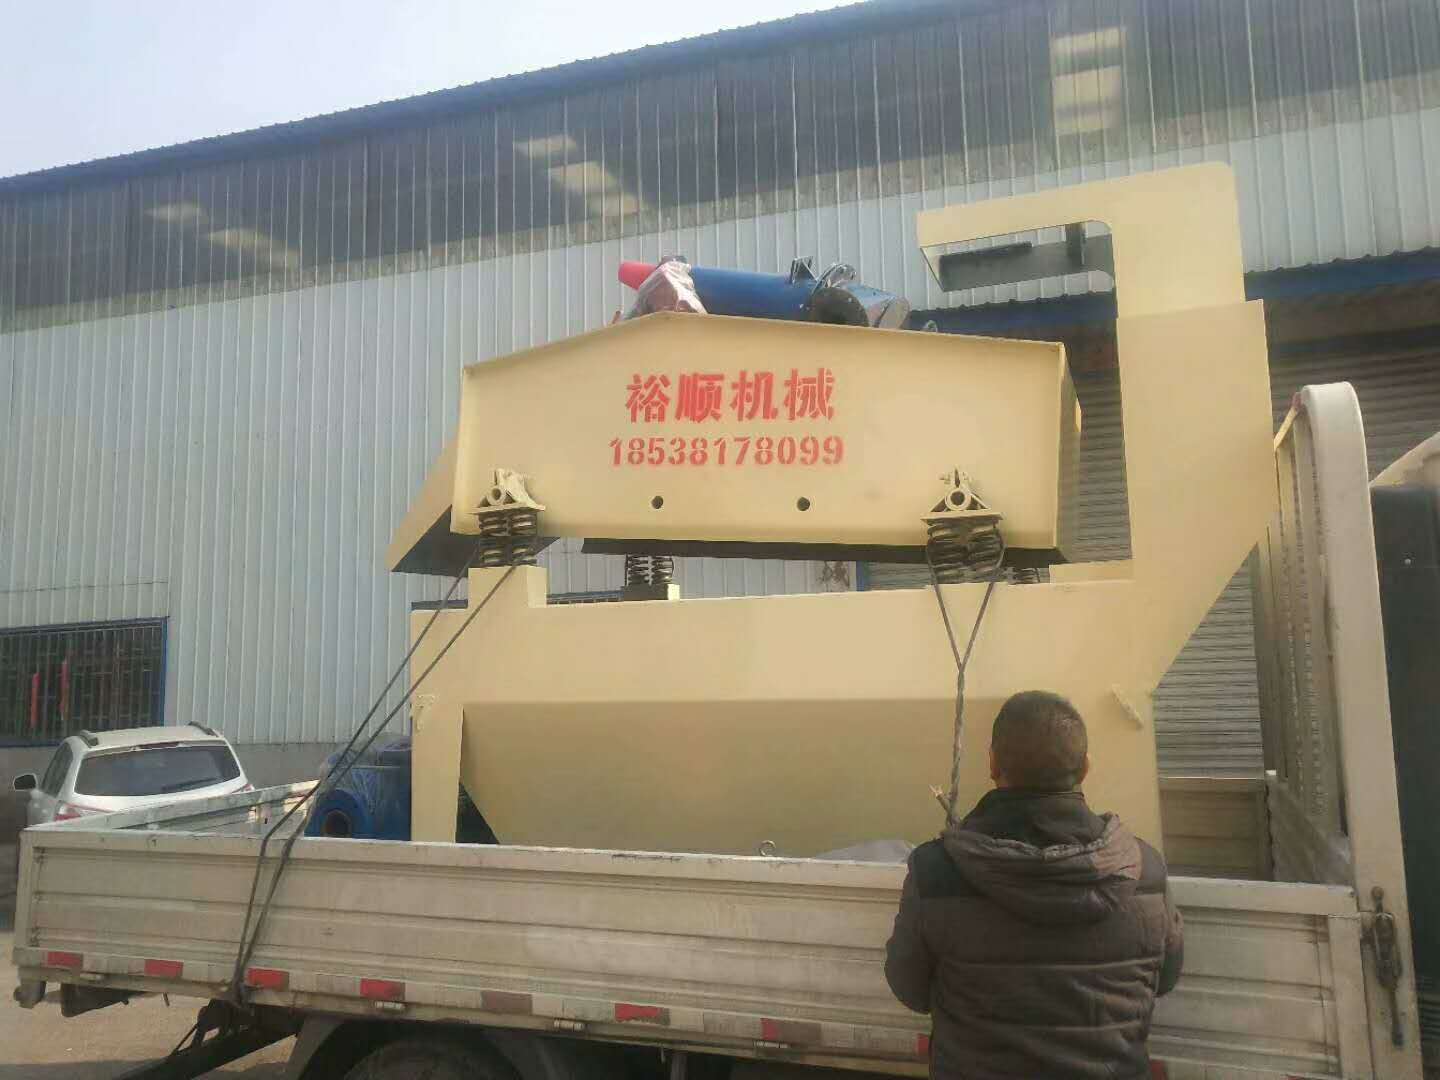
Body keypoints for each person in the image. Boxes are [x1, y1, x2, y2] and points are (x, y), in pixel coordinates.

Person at [884, 690, 1183, 1080]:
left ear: (993, 763)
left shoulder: (937, 871)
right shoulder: (1145, 871)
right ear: (1086, 767)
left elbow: (909, 988)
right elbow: (1165, 979)